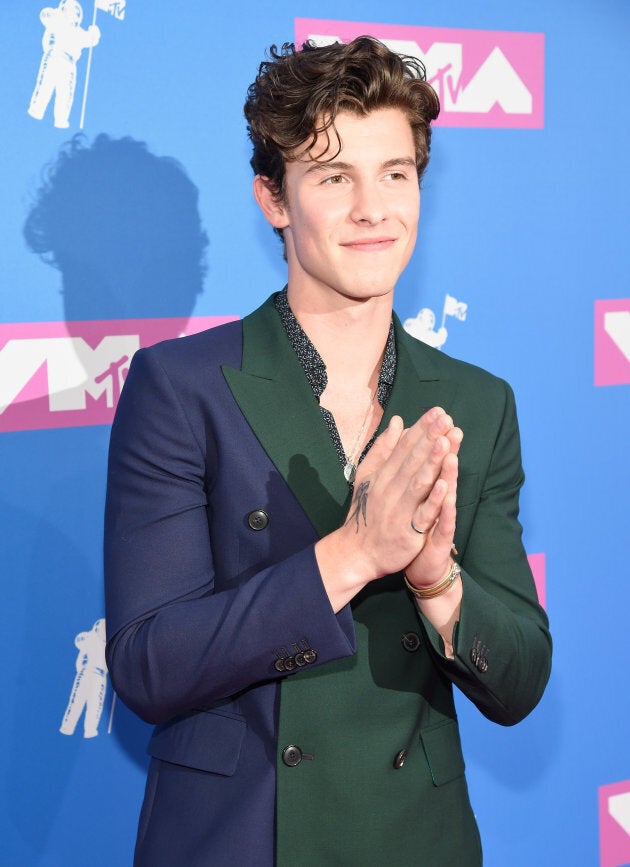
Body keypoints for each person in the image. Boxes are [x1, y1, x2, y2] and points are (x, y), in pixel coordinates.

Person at [104, 36, 552, 866]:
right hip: (240, 837)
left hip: (415, 838)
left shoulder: (479, 404)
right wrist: (350, 555)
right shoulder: (181, 387)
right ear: (274, 199)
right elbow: (146, 665)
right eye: (334, 177)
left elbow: (520, 677)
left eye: (395, 174)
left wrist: (435, 581)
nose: (373, 208)